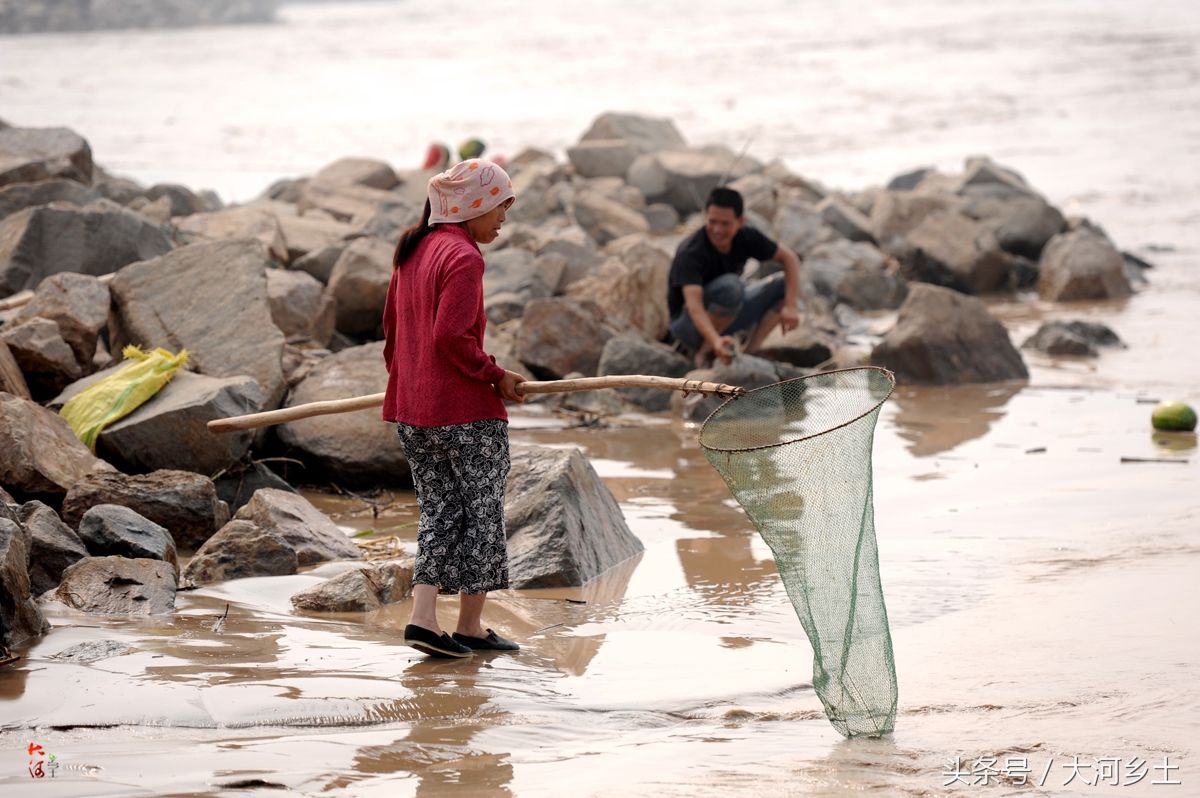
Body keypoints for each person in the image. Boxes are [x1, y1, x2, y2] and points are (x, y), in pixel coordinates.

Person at [383, 158, 526, 659]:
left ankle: (423, 619)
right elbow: (452, 337)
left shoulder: (414, 250)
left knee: (439, 513)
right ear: (473, 207)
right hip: (465, 413)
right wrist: (497, 375)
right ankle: (469, 626)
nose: (504, 219)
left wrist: (410, 385)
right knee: (481, 516)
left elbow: (392, 339)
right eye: (499, 208)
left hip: (413, 413)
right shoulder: (463, 257)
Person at [666, 186, 803, 366]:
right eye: (712, 222)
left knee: (783, 286)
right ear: (705, 217)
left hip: (727, 314)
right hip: (688, 326)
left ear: (740, 221)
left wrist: (791, 306)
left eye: (725, 224)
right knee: (732, 286)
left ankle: (751, 352)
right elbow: (694, 307)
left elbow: (790, 258)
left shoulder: (747, 237)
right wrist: (715, 341)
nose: (717, 230)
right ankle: (704, 354)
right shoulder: (691, 251)